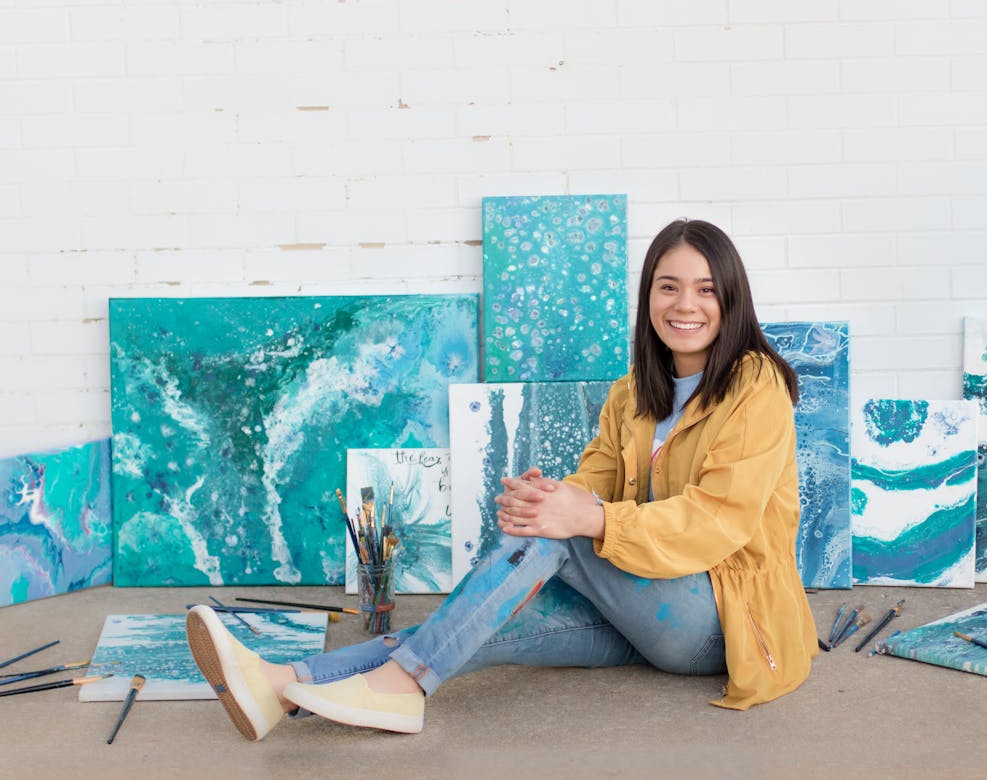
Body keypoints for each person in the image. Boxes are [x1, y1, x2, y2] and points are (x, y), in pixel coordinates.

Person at [185, 218, 818, 739]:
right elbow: (594, 480)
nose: (685, 305)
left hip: (722, 625)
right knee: (469, 627)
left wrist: (581, 517)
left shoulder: (755, 385)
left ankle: (400, 688)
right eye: (668, 286)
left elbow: (718, 521)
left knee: (556, 535)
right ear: (648, 296)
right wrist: (550, 497)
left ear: (731, 298)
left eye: (706, 289)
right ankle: (283, 685)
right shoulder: (632, 394)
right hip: (644, 608)